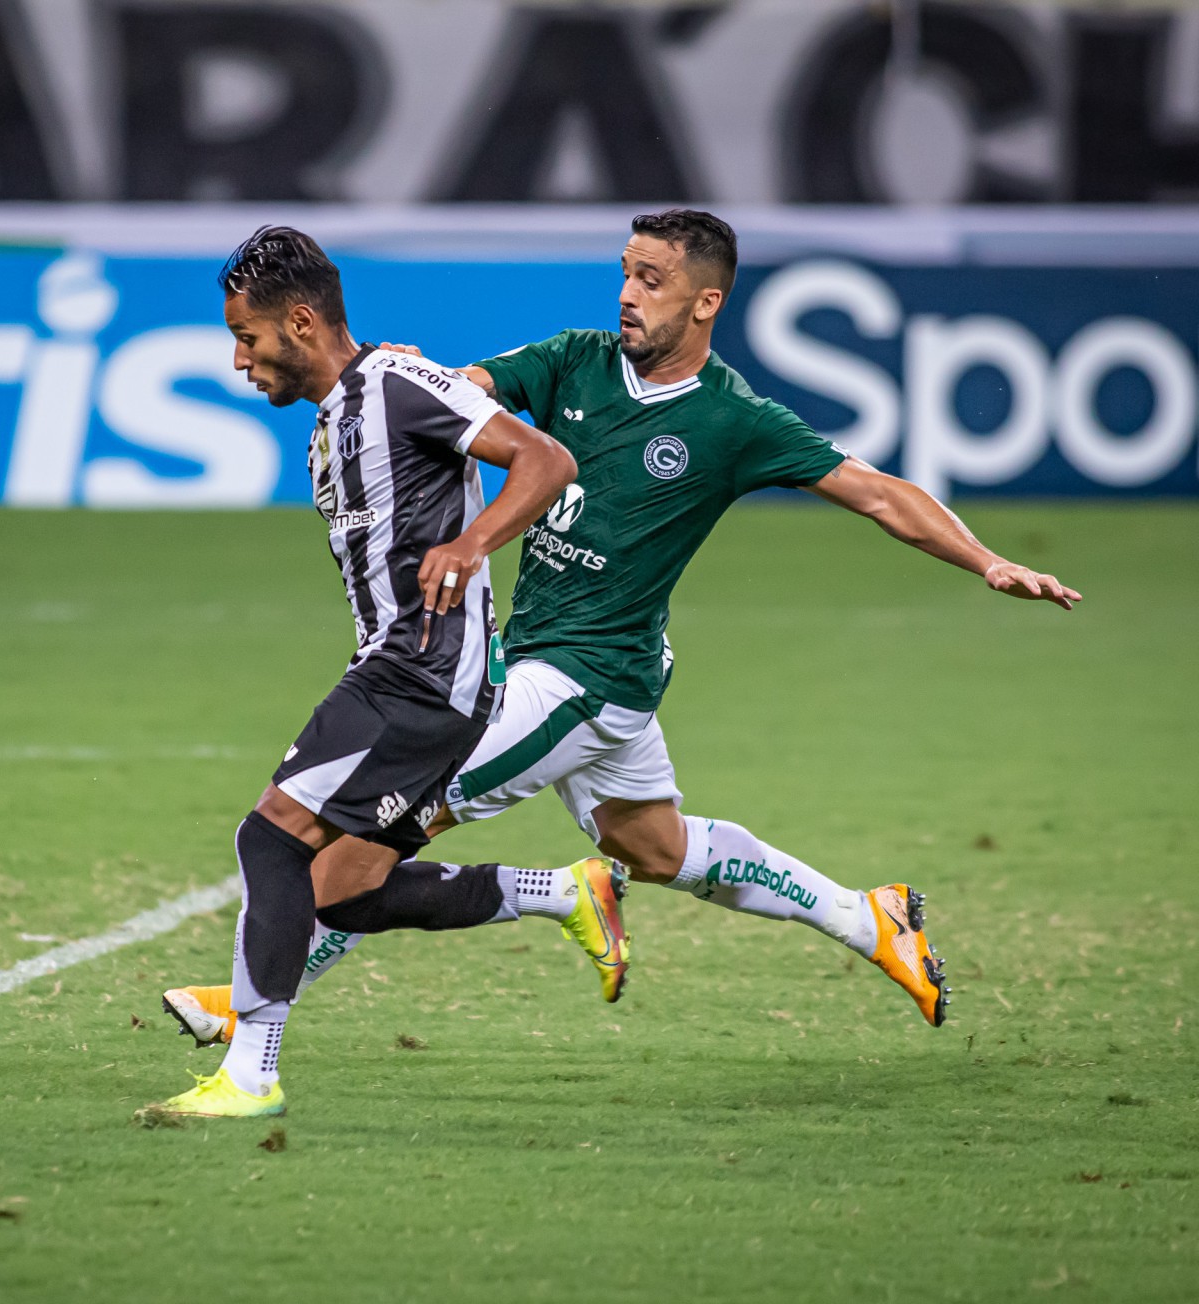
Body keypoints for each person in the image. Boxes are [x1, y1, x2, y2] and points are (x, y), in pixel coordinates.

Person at [161, 209, 1082, 1050]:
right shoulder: (576, 360)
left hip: (583, 678)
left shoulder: (734, 419)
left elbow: (879, 494)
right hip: (566, 667)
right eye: (626, 273)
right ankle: (866, 917)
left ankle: (247, 1008)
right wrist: (405, 378)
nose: (627, 294)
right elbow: (468, 394)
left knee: (362, 846)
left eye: (650, 280)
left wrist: (986, 559)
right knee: (656, 847)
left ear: (705, 302)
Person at [146, 226, 619, 1121]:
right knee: (353, 889)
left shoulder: (396, 385)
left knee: (272, 838)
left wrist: (474, 542)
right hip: (418, 676)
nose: (240, 360)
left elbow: (547, 461)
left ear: (299, 322)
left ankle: (250, 1075)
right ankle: (559, 892)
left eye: (248, 338)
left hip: (420, 674)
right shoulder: (338, 418)